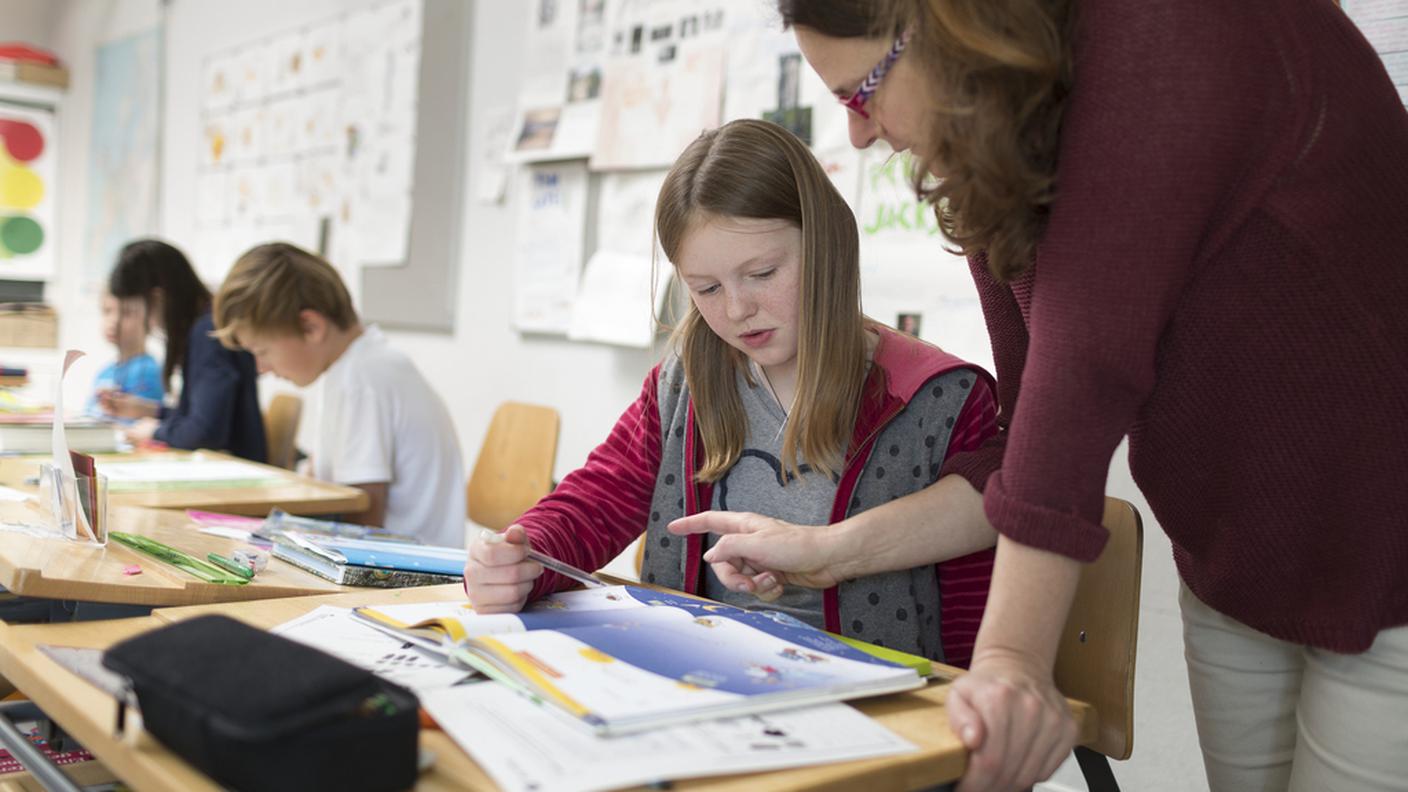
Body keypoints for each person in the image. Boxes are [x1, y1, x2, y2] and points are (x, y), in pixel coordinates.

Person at [670, 2, 1408, 790]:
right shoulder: (1001, 143)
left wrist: (1012, 661)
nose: (858, 133)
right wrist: (828, 551)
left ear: (944, 27)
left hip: (1387, 554)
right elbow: (1026, 446)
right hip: (1237, 561)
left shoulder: (1173, 30)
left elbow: (1082, 380)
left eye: (862, 93)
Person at [464, 118, 1000, 669]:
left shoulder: (939, 399)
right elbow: (602, 495)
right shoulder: (688, 378)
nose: (737, 310)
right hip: (701, 681)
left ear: (826, 245)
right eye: (707, 289)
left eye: (763, 273)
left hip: (873, 704)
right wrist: (523, 555)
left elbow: (969, 624)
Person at [212, 242, 466, 547]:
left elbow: (362, 515)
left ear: (310, 327)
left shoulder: (361, 380)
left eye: (262, 351)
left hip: (407, 573)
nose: (261, 368)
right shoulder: (357, 365)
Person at [106, 239, 267, 462]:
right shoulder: (205, 325)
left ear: (157, 299)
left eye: (134, 310)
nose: (147, 324)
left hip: (233, 474)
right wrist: (151, 411)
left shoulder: (208, 333)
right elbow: (204, 417)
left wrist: (155, 431)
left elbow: (205, 433)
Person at [89, 290, 163, 420]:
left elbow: (136, 425)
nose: (113, 320)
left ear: (149, 319)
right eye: (107, 311)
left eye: (126, 313)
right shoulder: (104, 373)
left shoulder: (149, 371)